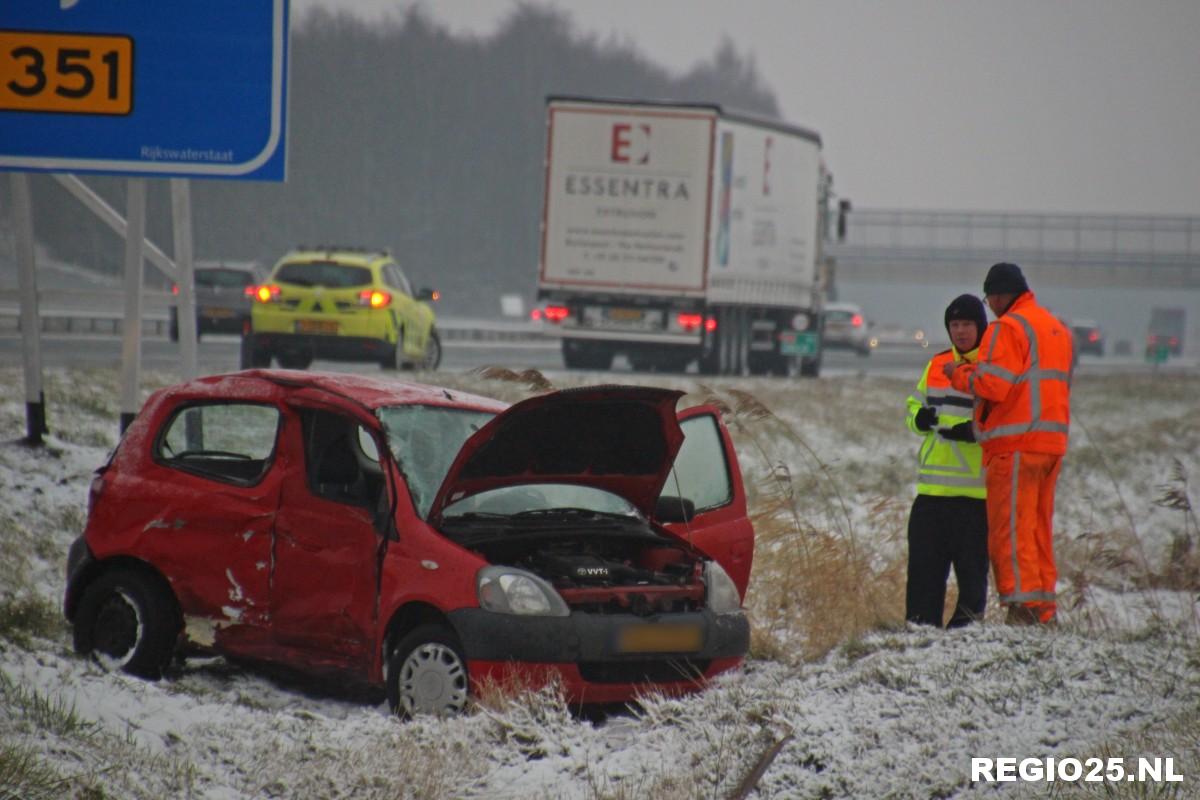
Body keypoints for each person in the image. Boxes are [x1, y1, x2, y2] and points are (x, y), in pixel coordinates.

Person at [942, 263, 1073, 625]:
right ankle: (1044, 609)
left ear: (999, 296)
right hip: (1052, 442)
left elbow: (993, 385)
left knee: (1010, 530)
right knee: (1037, 528)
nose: (990, 306)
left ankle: (1022, 609)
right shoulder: (1053, 327)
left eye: (989, 299)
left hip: (1015, 444)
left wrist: (960, 373)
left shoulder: (1007, 327)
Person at [905, 294, 989, 628]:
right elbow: (912, 406)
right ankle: (919, 635)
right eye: (955, 325)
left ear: (980, 326)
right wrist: (919, 418)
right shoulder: (937, 364)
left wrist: (975, 431)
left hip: (975, 496)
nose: (961, 331)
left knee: (972, 581)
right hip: (931, 495)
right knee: (923, 578)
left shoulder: (991, 369)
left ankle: (963, 638)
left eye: (967, 324)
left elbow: (1004, 420)